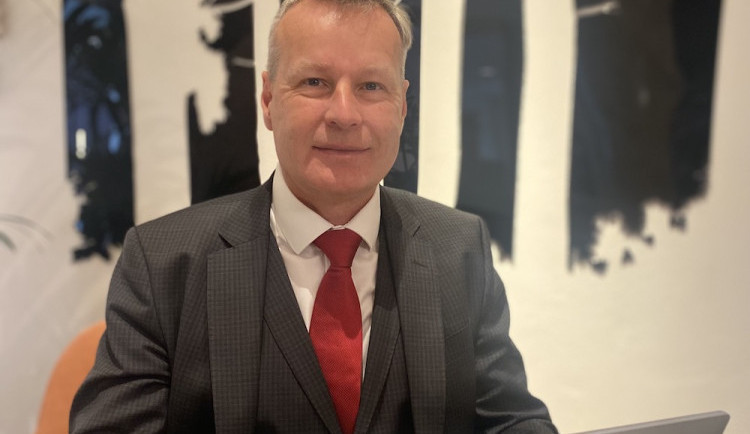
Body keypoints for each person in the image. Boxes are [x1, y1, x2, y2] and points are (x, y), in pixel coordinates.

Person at [69, 0, 557, 432]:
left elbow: (511, 419)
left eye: (371, 85)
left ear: (402, 105)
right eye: (315, 82)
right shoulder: (162, 265)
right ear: (268, 100)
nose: (344, 113)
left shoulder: (459, 249)